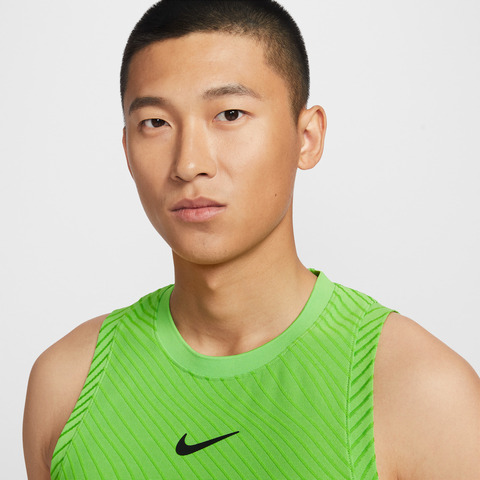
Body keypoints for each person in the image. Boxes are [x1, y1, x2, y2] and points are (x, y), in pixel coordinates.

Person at [23, 0, 480, 478]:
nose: (189, 164)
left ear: (307, 138)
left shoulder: (420, 392)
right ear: (126, 150)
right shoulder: (67, 382)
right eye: (155, 123)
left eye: (230, 114)